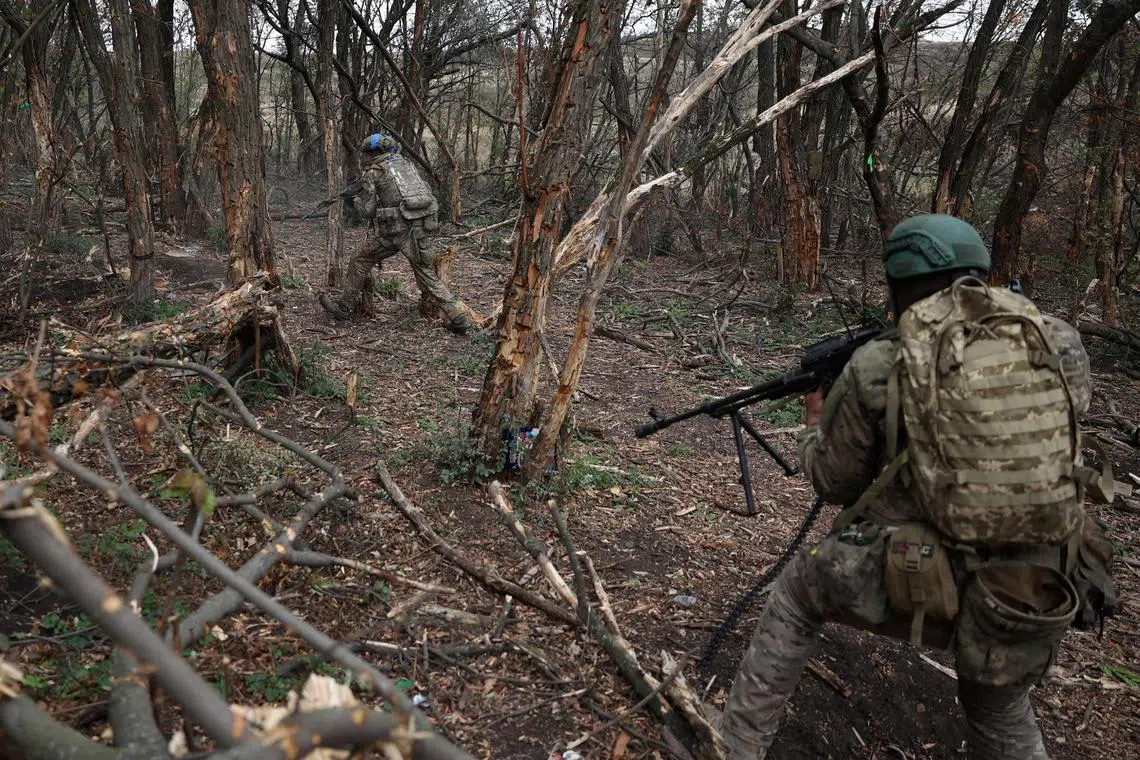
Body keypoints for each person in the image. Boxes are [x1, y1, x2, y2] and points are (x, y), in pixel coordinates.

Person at [720, 214, 1110, 759]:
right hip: (1031, 587)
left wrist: (815, 423)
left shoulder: (881, 362)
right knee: (997, 705)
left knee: (796, 595)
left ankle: (733, 745)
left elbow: (834, 482)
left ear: (897, 284)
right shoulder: (1056, 340)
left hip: (922, 575)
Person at [319, 133, 473, 335]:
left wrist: (355, 200)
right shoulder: (406, 165)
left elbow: (368, 211)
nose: (362, 158)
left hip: (397, 232)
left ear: (372, 154)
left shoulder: (373, 172)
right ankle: (459, 317)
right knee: (427, 275)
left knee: (360, 259)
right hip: (422, 225)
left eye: (364, 154)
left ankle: (344, 308)